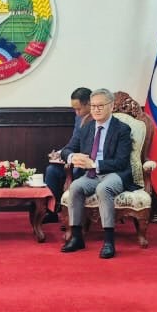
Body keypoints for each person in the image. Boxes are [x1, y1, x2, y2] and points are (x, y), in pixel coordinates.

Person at [58, 88, 135, 260]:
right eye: (93, 106)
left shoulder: (122, 129)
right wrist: (72, 157)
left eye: (100, 106)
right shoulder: (86, 128)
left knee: (103, 188)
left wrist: (93, 164)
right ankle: (76, 237)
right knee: (75, 187)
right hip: (92, 175)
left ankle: (109, 241)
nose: (96, 110)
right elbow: (67, 149)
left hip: (115, 174)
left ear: (111, 106)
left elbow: (121, 162)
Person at [43, 87, 93, 222]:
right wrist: (60, 153)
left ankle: (74, 215)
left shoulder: (101, 119)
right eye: (74, 109)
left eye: (79, 109)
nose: (76, 113)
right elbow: (73, 143)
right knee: (51, 170)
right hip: (74, 160)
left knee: (76, 171)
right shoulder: (79, 118)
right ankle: (52, 212)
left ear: (89, 103)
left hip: (90, 164)